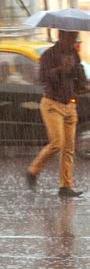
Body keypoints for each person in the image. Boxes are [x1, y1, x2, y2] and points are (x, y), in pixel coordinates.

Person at [26, 30, 88, 197]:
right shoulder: (48, 55)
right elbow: (44, 78)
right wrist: (61, 69)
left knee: (68, 147)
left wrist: (80, 77)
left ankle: (65, 186)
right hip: (52, 104)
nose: (73, 40)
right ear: (61, 36)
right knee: (57, 143)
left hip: (70, 105)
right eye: (71, 37)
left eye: (75, 37)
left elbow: (78, 81)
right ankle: (32, 171)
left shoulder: (74, 54)